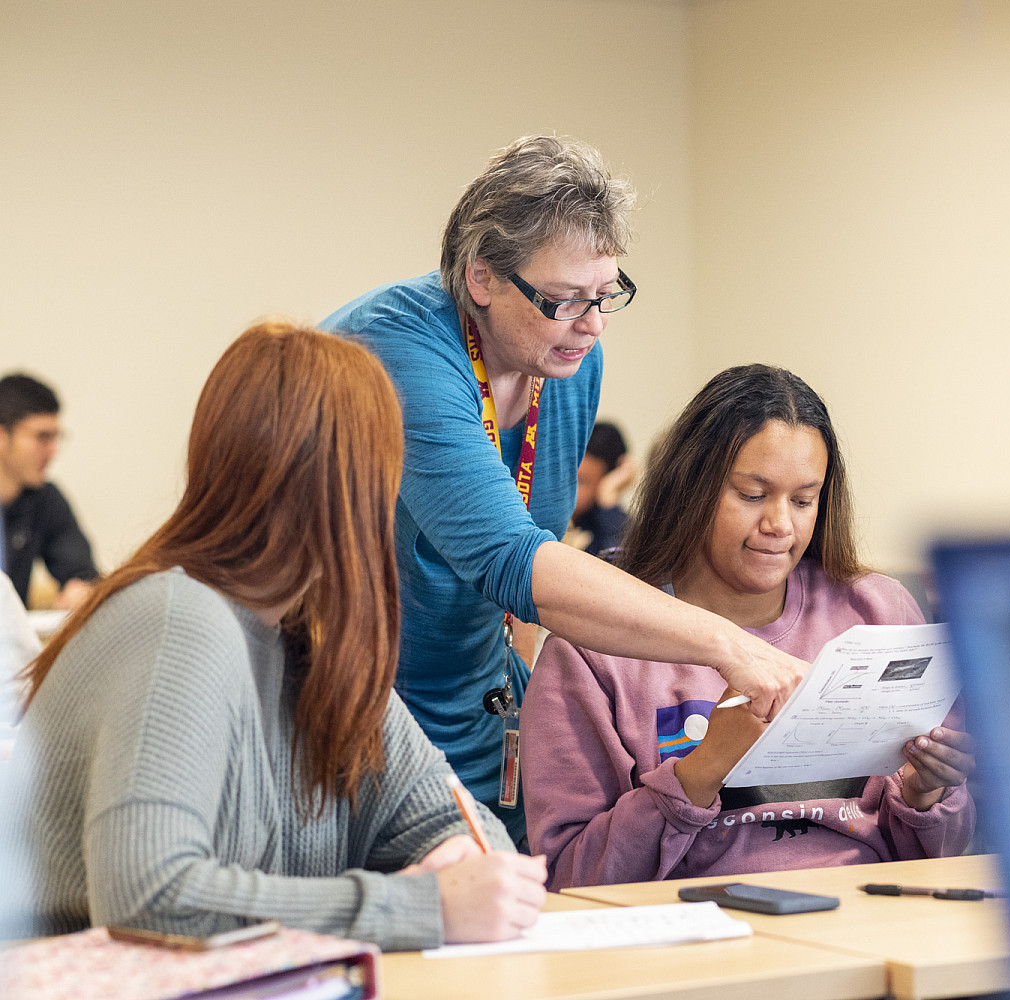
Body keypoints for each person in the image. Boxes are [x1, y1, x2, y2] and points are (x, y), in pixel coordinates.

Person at [322, 136, 804, 849]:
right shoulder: (396, 351)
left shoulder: (567, 360)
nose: (593, 324)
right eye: (565, 300)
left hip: (476, 693)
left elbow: (531, 571)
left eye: (606, 294)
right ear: (482, 278)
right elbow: (511, 561)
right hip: (347, 702)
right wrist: (725, 642)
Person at [9, 323, 546, 951]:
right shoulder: (177, 619)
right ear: (352, 486)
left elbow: (470, 837)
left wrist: (461, 872)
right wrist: (419, 904)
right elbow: (148, 902)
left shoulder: (312, 638)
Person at [521, 365, 976, 889]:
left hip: (869, 909)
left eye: (803, 500)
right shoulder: (594, 646)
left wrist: (925, 794)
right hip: (693, 921)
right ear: (691, 488)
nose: (780, 525)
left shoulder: (878, 611)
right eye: (753, 495)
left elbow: (943, 852)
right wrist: (704, 768)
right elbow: (570, 878)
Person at [0, 374, 97, 610]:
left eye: (56, 437)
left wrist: (83, 591)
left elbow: (82, 573)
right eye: (42, 437)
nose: (53, 450)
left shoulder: (43, 499)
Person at [569, 420, 636, 559]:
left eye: (582, 481)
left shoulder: (610, 527)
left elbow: (618, 566)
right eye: (567, 475)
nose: (568, 488)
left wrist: (608, 496)